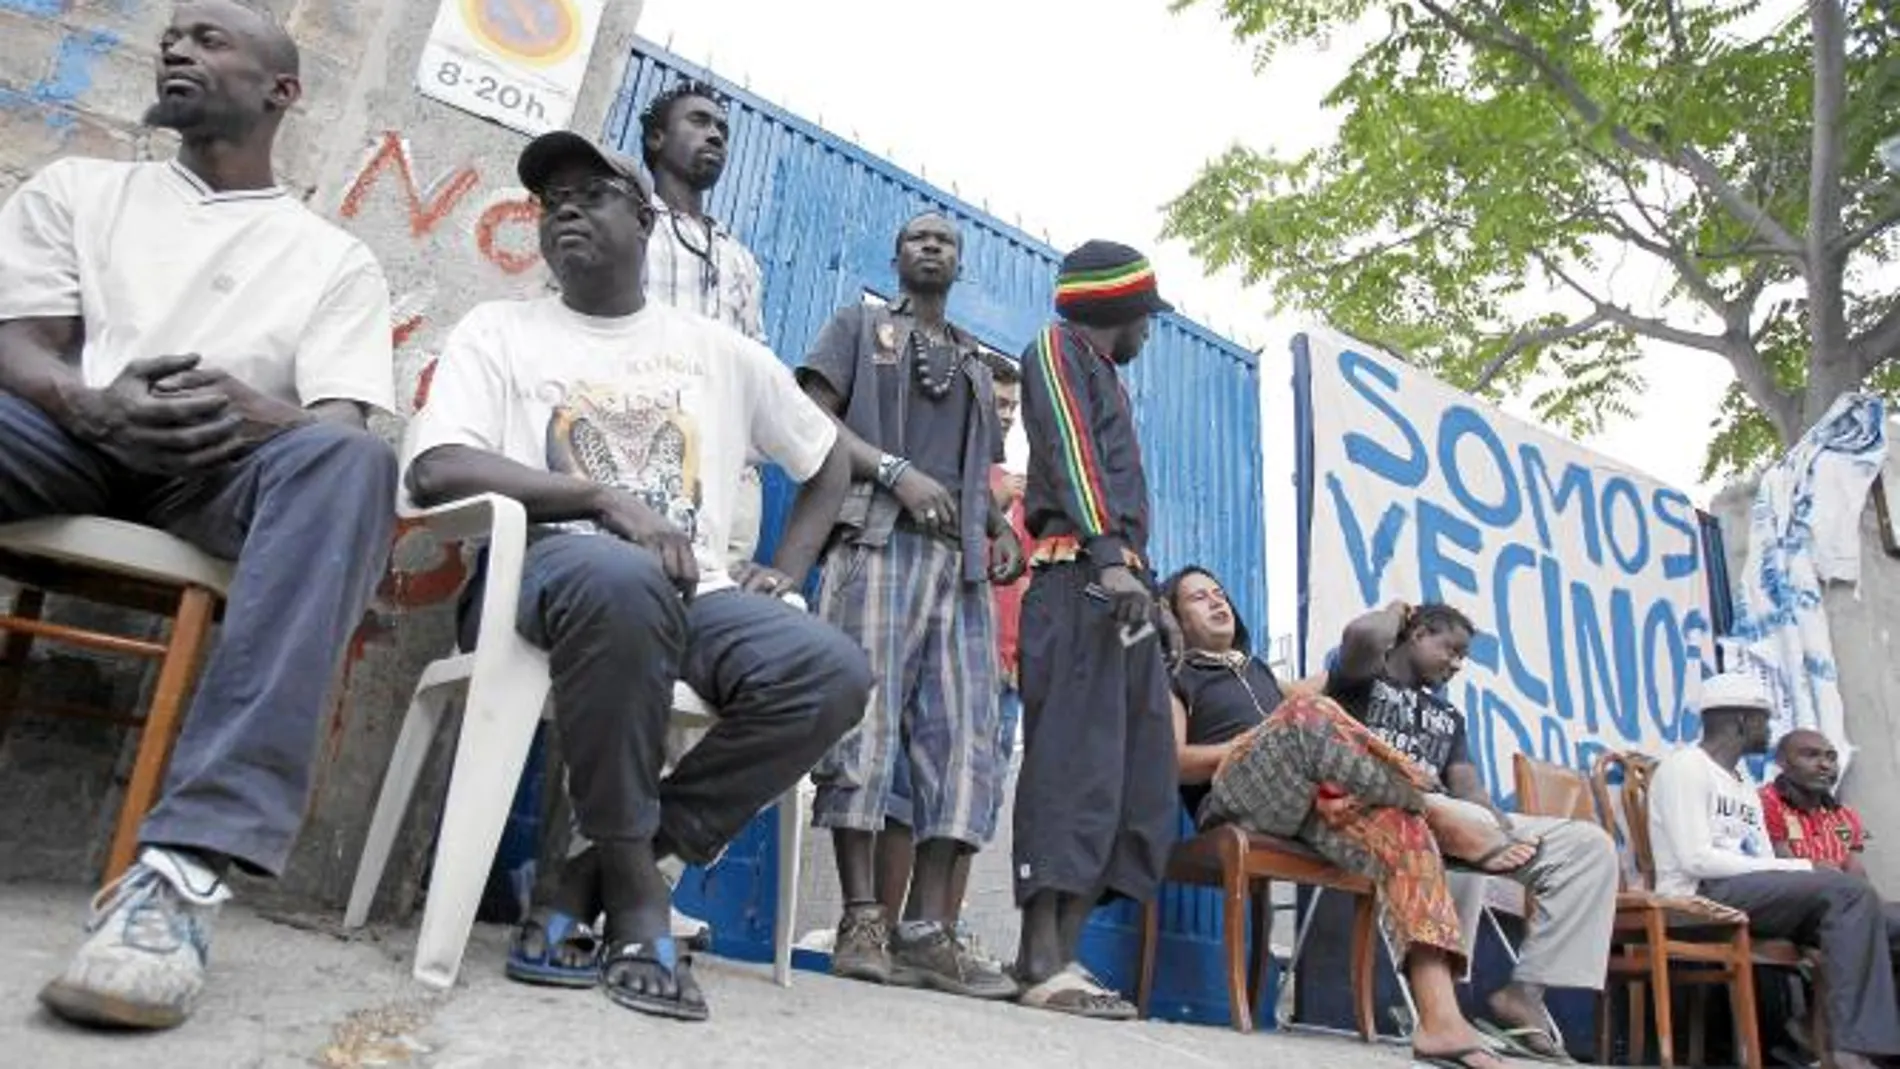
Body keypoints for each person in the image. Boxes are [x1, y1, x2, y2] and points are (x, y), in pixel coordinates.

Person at [403, 130, 869, 1022]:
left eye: (592, 192)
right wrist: (597, 496)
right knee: (621, 576)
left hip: (698, 595)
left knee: (830, 671)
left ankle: (588, 871)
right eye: (552, 202)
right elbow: (435, 470)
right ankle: (639, 894)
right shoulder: (500, 330)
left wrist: (786, 565)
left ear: (645, 218)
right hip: (541, 582)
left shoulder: (716, 349)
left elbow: (829, 461)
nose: (566, 209)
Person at [0, 1, 398, 1030]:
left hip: (213, 477)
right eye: (174, 33)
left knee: (352, 464)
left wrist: (253, 410)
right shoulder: (81, 190)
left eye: (211, 36)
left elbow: (341, 418)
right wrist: (91, 402)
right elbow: (26, 346)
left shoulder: (331, 258)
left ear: (283, 90)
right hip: (69, 436)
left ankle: (181, 874)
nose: (178, 45)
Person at [800, 212, 1023, 999]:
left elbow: (974, 471)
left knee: (968, 737)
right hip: (876, 542)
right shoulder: (856, 326)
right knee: (864, 722)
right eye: (919, 239)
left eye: (947, 243)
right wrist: (893, 469)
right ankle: (864, 916)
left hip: (959, 569)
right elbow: (812, 422)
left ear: (958, 266)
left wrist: (998, 528)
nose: (933, 248)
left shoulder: (968, 358)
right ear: (896, 257)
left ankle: (928, 931)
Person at [1196, 600, 1547, 1068]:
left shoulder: (1262, 673)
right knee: (1308, 711)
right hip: (1240, 791)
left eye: (1218, 594)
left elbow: (1348, 666)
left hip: (1314, 806)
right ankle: (1425, 799)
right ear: (1175, 617)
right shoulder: (1181, 673)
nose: (1216, 600)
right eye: (1197, 597)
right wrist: (1244, 742)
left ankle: (1441, 1021)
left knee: (1407, 831)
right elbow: (1173, 760)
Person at [1324, 601, 1617, 1062]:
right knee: (1445, 813)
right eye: (1451, 650)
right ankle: (1440, 1005)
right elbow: (1362, 635)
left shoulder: (1450, 717)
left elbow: (1468, 787)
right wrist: (1396, 611)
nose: (1457, 665)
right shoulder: (1360, 678)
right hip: (1378, 810)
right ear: (1417, 633)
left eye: (1463, 657)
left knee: (1589, 847)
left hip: (1452, 819)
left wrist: (1501, 825)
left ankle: (1523, 995)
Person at [1010, 240, 1177, 1020]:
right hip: (1080, 579)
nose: (1150, 332)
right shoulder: (1056, 348)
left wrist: (1149, 588)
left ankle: (1060, 957)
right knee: (1073, 768)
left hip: (1123, 591)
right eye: (1147, 315)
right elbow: (1072, 452)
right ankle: (1039, 956)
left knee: (1132, 785)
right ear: (1123, 309)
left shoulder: (1108, 374)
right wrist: (1110, 558)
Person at [1649, 673, 1900, 1069]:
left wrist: (1797, 871)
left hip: (1753, 893)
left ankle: (1881, 1050)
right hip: (1700, 892)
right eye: (1764, 720)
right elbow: (1695, 859)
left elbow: (1765, 858)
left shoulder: (1743, 785)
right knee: (1847, 891)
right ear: (1741, 722)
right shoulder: (1686, 768)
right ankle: (1849, 1052)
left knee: (1890, 918)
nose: (1769, 730)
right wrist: (1803, 866)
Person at [867, 356, 1028, 965]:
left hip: (999, 668)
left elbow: (1022, 581)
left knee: (970, 800)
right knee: (907, 793)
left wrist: (1016, 657)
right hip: (933, 642)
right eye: (997, 402)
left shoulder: (1020, 490)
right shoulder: (958, 468)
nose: (1004, 413)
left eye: (1011, 406)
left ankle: (938, 932)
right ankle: (879, 928)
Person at [638, 79, 768, 569]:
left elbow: (757, 365)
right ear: (656, 139)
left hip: (730, 481)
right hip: (646, 459)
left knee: (711, 626)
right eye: (699, 121)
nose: (715, 135)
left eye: (722, 129)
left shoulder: (741, 260)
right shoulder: (630, 228)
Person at [1761, 729, 1872, 877]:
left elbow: (1854, 867)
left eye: (1831, 757)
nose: (1825, 765)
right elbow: (1786, 867)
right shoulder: (1767, 802)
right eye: (1811, 755)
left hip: (1841, 894)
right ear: (1783, 762)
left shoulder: (1844, 814)